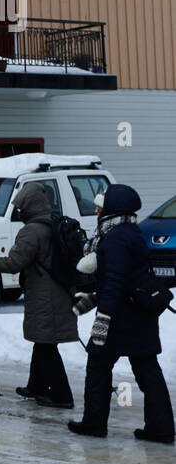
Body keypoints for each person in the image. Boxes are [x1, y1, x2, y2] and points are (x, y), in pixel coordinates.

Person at [68, 184, 174, 443]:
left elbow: (114, 281)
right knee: (148, 371)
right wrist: (91, 299)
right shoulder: (131, 232)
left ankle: (94, 423)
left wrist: (102, 320)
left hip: (119, 317)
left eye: (100, 206)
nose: (96, 210)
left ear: (112, 209)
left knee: (98, 365)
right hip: (140, 315)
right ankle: (161, 429)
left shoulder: (114, 238)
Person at [0, 182, 79, 407]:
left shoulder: (32, 231)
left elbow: (14, 263)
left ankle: (61, 396)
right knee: (42, 341)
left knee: (46, 345)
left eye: (20, 207)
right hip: (58, 292)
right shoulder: (53, 224)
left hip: (45, 297)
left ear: (28, 207)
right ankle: (36, 386)